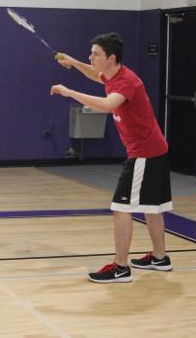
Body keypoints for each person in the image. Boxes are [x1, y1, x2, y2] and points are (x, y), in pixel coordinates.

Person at [50, 33, 173, 283]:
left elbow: (107, 105)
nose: (90, 57)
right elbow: (96, 75)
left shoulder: (127, 81)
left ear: (111, 58)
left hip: (144, 153)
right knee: (151, 208)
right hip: (154, 149)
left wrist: (69, 92)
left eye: (95, 54)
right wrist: (74, 62)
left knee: (121, 208)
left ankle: (120, 268)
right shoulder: (113, 74)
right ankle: (160, 258)